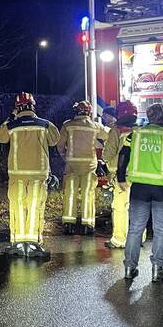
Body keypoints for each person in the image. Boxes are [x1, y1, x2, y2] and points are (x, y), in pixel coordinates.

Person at [117, 103, 163, 283]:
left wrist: (121, 177)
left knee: (135, 229)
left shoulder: (135, 134)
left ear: (149, 117)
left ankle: (129, 267)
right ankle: (157, 269)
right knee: (161, 230)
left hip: (139, 188)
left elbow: (123, 155)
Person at [0, 92, 60, 258]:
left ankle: (17, 242)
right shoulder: (45, 125)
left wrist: (10, 118)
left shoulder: (11, 125)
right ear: (33, 106)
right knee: (35, 207)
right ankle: (33, 244)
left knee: (17, 207)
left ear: (17, 108)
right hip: (38, 174)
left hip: (17, 175)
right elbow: (55, 140)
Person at [57, 100, 109, 235]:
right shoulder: (95, 126)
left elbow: (60, 144)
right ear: (89, 112)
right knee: (88, 194)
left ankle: (69, 223)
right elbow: (108, 135)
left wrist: (65, 156)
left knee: (70, 193)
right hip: (89, 166)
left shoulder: (67, 125)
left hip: (72, 166)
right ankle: (88, 225)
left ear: (76, 111)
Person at [102, 101, 141, 250]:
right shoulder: (141, 131)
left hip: (121, 176)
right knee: (136, 207)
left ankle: (119, 239)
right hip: (138, 176)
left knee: (120, 207)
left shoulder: (116, 131)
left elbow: (107, 155)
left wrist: (110, 166)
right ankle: (138, 238)